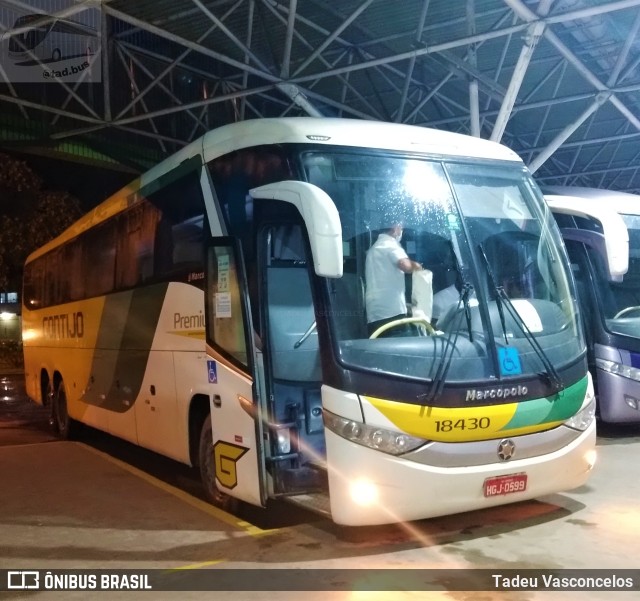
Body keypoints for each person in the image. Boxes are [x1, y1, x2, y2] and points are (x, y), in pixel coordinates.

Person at [365, 224, 423, 337]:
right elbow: (405, 265)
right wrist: (418, 267)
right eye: (401, 228)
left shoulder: (373, 249)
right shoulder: (390, 244)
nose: (401, 231)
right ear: (394, 227)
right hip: (392, 313)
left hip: (375, 313)